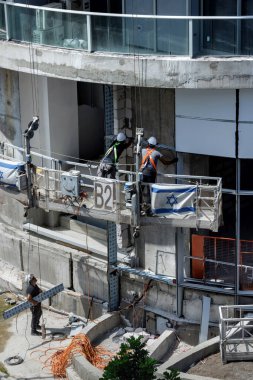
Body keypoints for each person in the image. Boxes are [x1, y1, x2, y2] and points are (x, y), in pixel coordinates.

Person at [140, 136, 178, 213]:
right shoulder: (157, 153)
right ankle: (150, 208)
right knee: (151, 191)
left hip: (143, 173)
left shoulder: (143, 151)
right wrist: (174, 161)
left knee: (141, 189)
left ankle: (139, 205)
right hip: (151, 174)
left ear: (148, 143)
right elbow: (165, 162)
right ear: (155, 145)